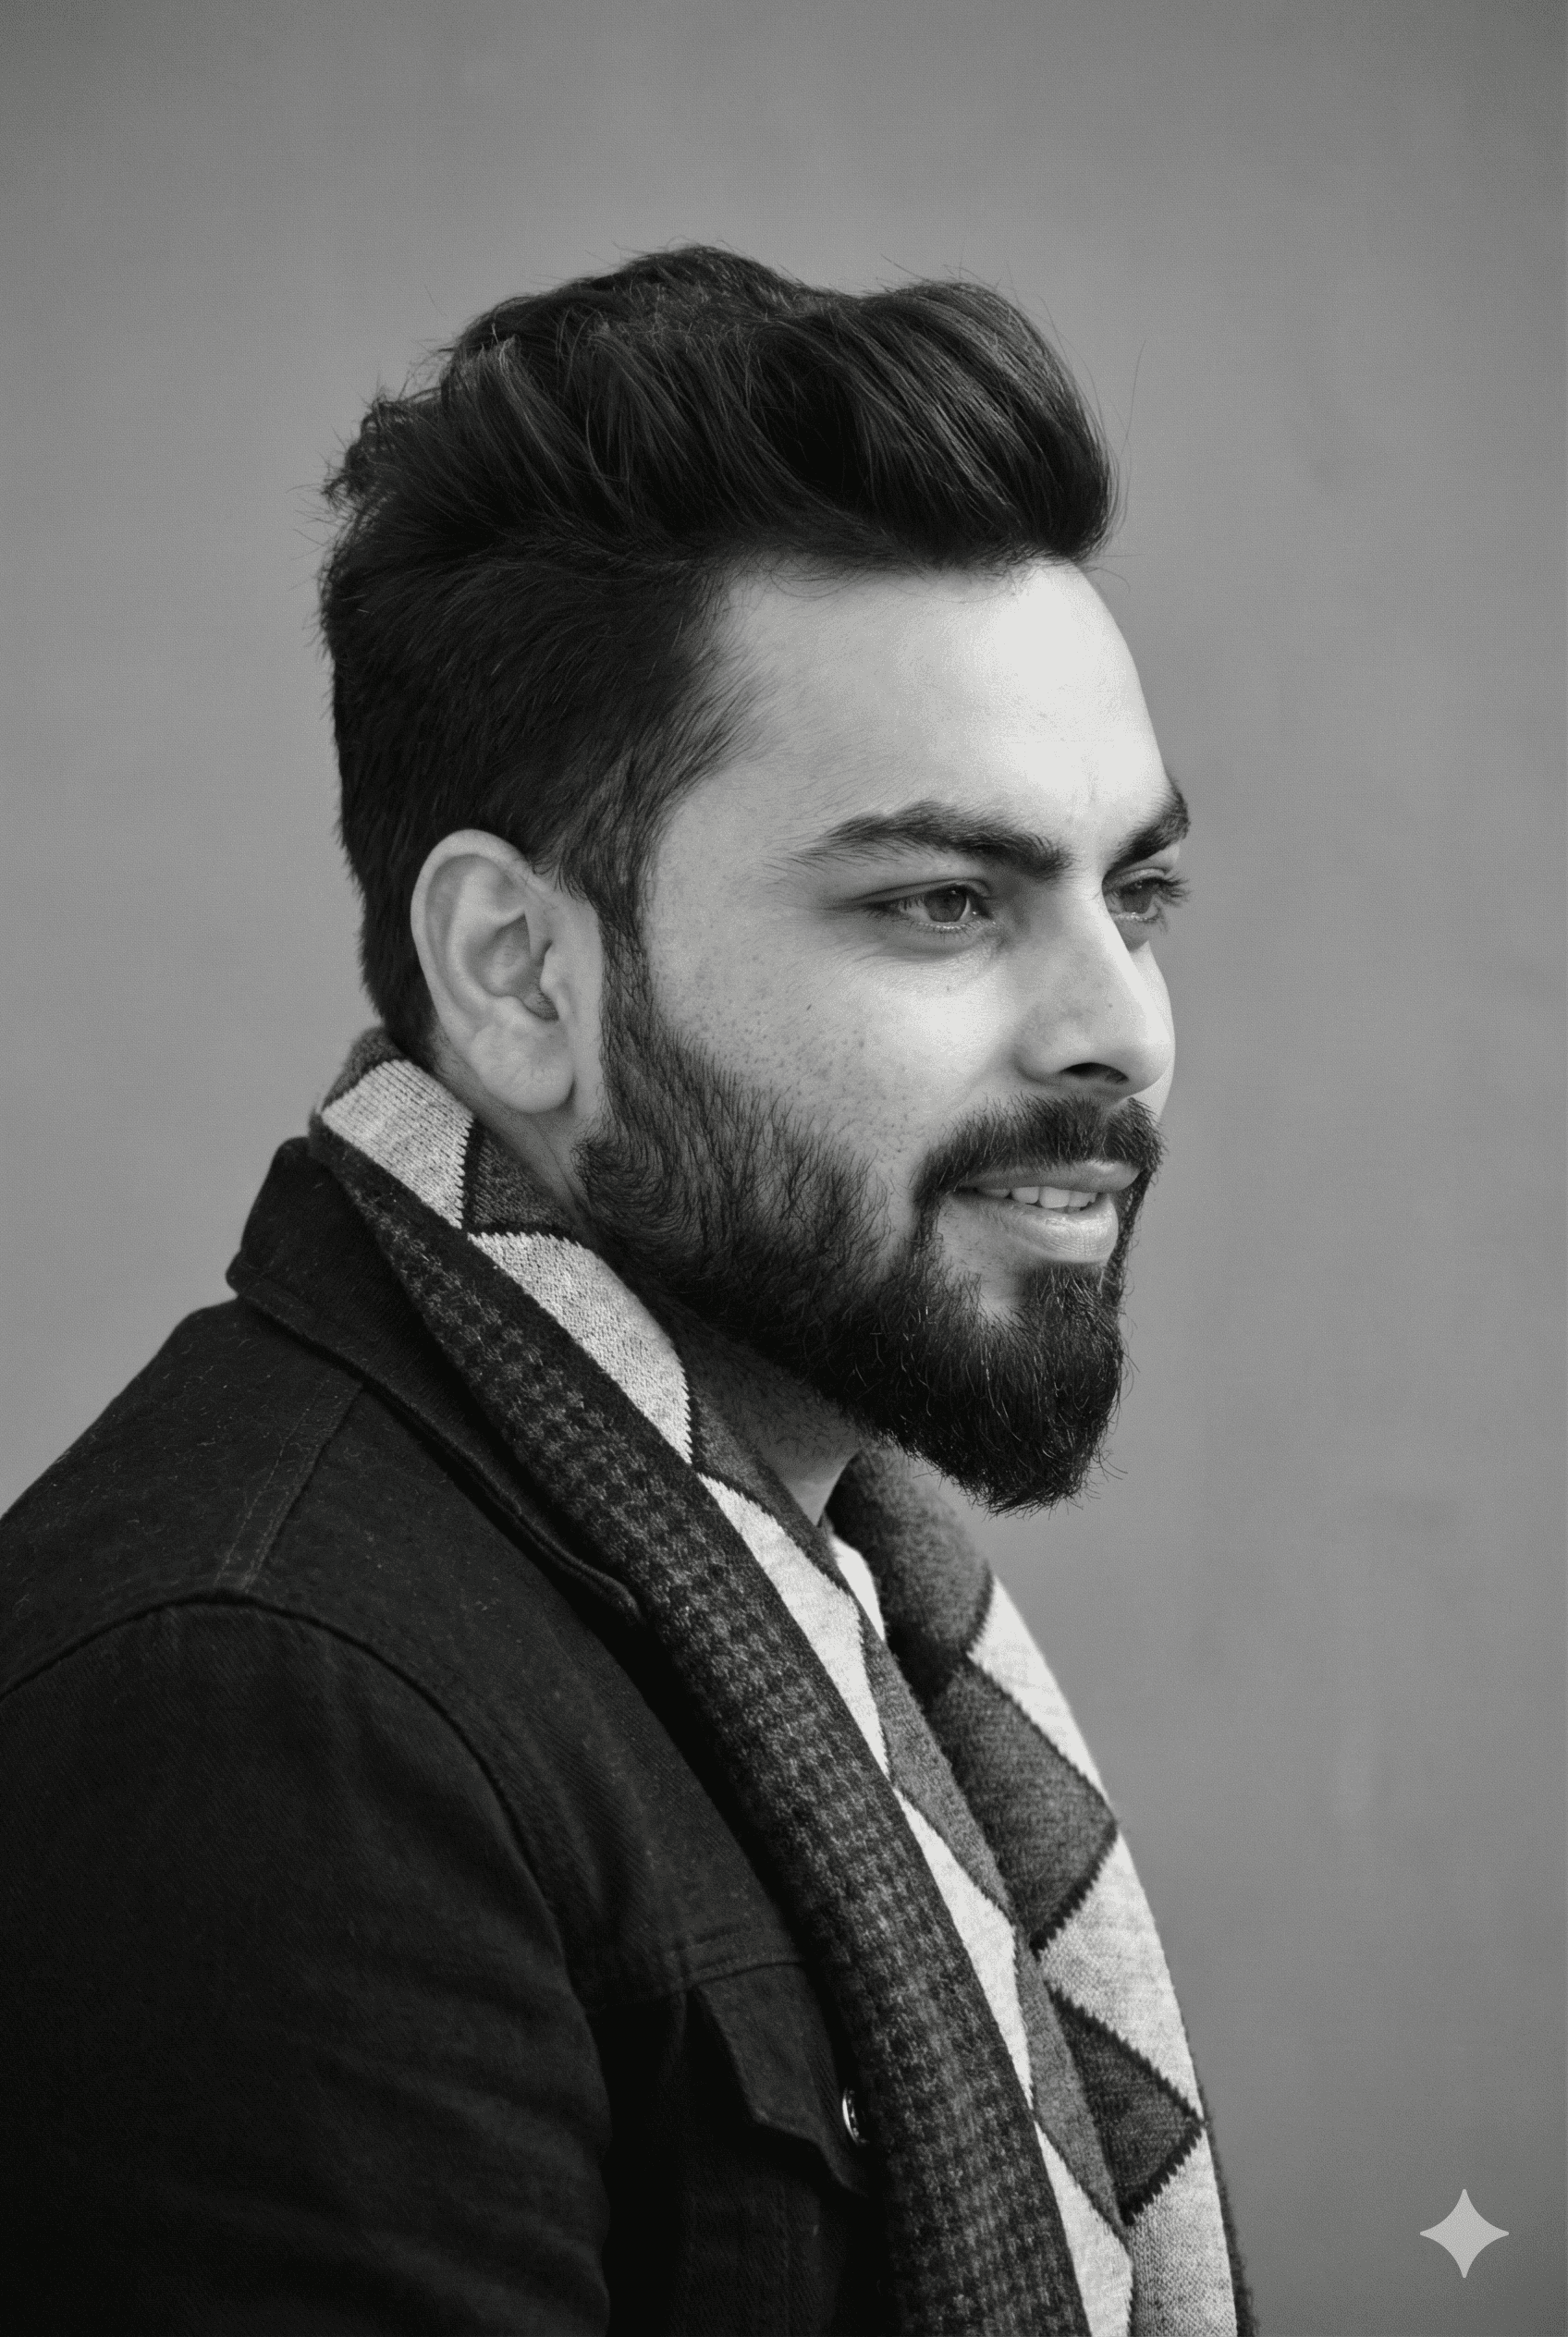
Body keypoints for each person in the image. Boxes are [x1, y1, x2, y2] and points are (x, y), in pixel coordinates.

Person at [0, 248, 1253, 2334]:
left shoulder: (825, 1588)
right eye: (938, 900)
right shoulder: (256, 1716)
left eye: (1129, 893)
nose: (1116, 1028)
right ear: (516, 973)